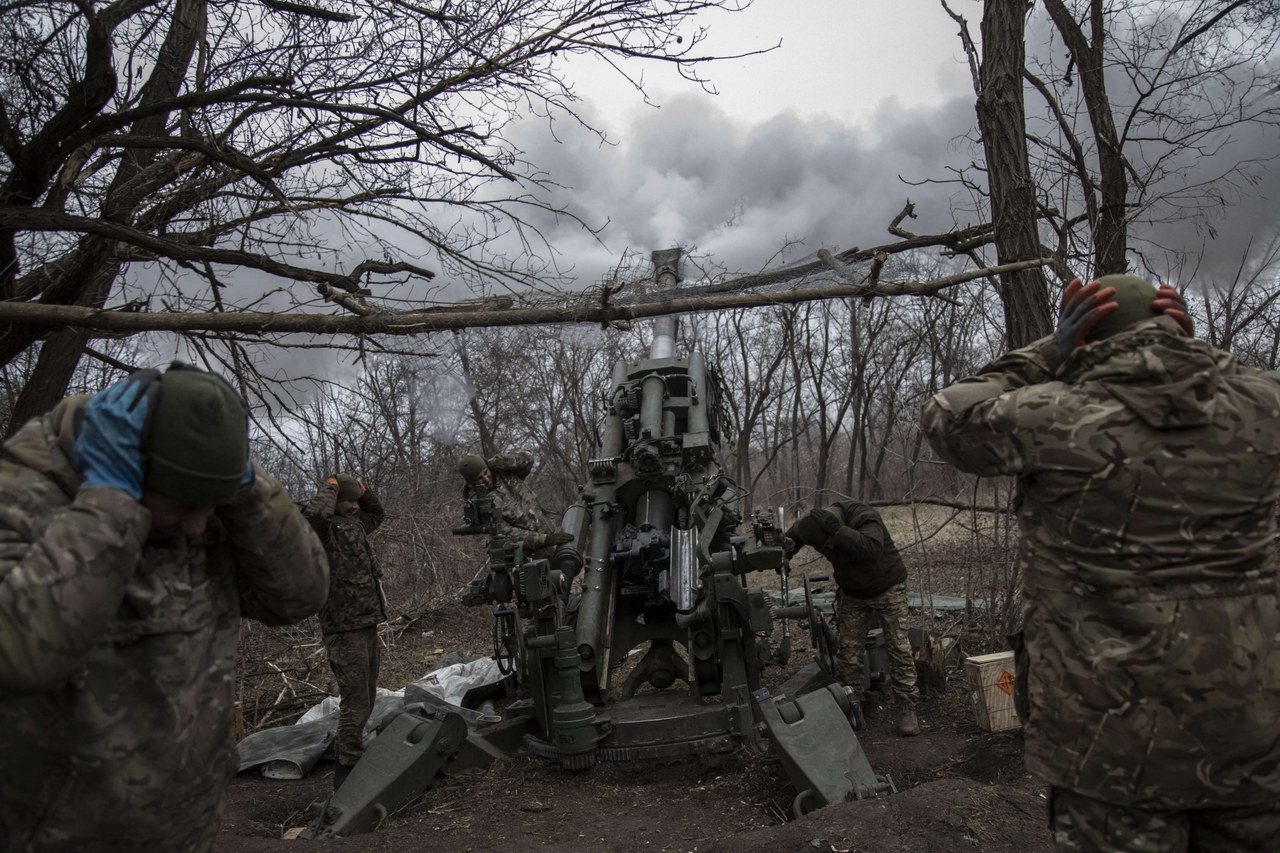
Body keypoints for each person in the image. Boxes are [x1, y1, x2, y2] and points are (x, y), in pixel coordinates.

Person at [920, 275, 1280, 851]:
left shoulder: (1052, 417)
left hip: (1109, 744)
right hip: (1252, 733)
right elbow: (1249, 382)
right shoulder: (1262, 406)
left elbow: (947, 416)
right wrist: (1184, 344)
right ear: (1174, 326)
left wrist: (1052, 348)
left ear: (1084, 336)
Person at [0, 362, 329, 852]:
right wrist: (108, 507)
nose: (199, 528)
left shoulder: (209, 503)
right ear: (130, 466)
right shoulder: (20, 499)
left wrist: (246, 490)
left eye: (209, 507)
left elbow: (301, 595)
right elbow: (18, 654)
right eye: (181, 507)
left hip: (188, 829)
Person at [786, 500, 920, 736]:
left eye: (828, 542)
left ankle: (907, 708)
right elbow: (794, 536)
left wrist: (838, 532)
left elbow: (871, 548)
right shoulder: (812, 526)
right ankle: (852, 707)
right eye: (823, 546)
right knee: (848, 654)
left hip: (888, 586)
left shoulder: (863, 516)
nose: (828, 547)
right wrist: (785, 553)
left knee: (899, 648)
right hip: (854, 593)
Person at [302, 472, 386, 790]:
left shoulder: (355, 523)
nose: (354, 506)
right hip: (342, 627)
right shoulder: (323, 531)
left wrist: (360, 489)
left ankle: (354, 758)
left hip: (366, 621)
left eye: (355, 501)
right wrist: (332, 488)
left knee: (368, 694)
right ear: (335, 502)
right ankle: (347, 770)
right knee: (355, 701)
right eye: (348, 501)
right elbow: (316, 512)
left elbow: (376, 512)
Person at [457, 450, 571, 557]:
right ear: (471, 483)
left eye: (486, 473)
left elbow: (528, 459)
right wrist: (546, 540)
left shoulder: (503, 471)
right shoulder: (478, 503)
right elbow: (506, 534)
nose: (486, 479)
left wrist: (500, 461)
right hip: (529, 555)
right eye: (479, 479)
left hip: (553, 534)